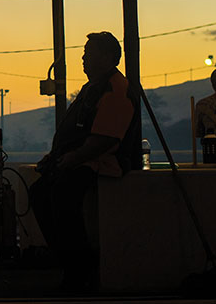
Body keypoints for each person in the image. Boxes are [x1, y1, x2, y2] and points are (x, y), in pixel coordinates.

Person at [29, 31, 138, 293]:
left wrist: (73, 159)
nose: (83, 58)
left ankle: (79, 268)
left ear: (108, 56)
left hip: (98, 162)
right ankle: (71, 264)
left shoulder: (115, 89)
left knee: (61, 198)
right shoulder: (94, 88)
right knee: (42, 193)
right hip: (79, 160)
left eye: (89, 52)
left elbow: (105, 139)